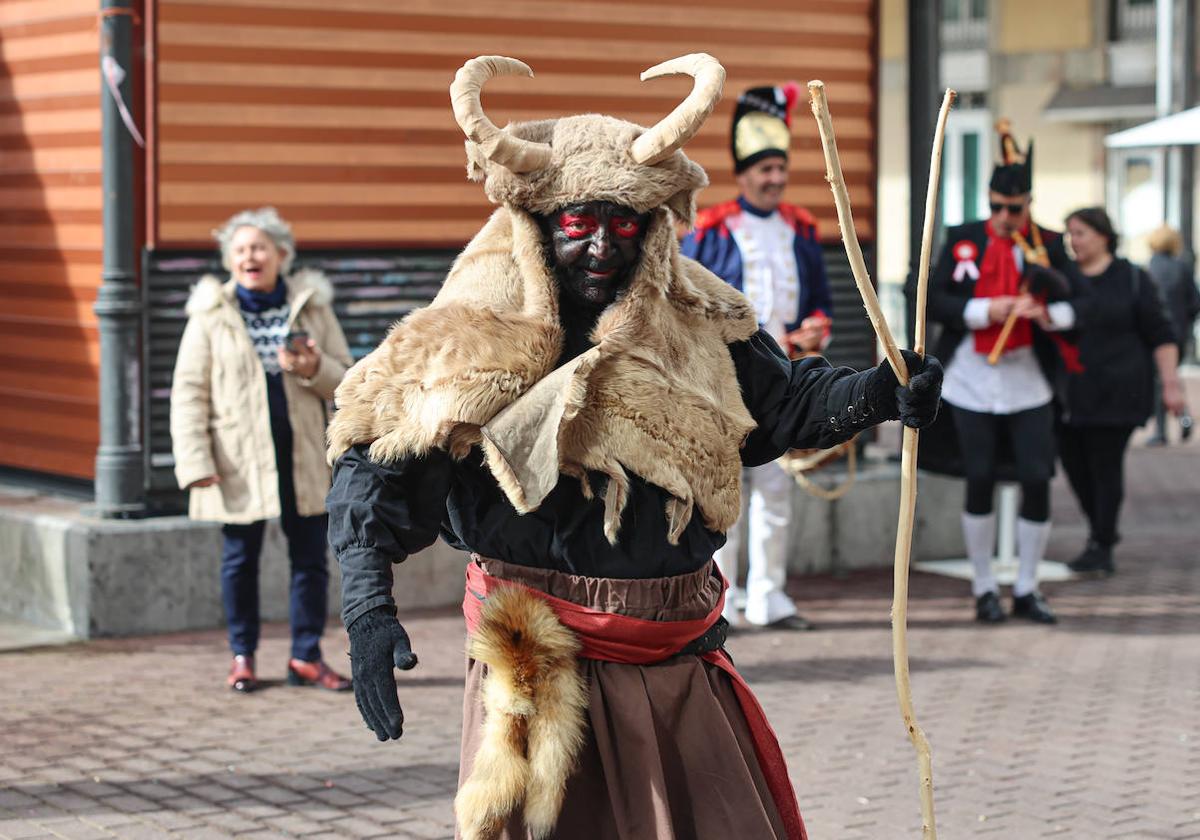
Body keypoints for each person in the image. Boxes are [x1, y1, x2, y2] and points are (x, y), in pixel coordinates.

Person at [326, 54, 942, 840]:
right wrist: (367, 608)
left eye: (625, 227)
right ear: (540, 230)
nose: (603, 250)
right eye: (581, 227)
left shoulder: (691, 318)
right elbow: (371, 464)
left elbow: (783, 401)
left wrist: (879, 392)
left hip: (676, 664)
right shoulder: (467, 334)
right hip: (540, 672)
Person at [170, 206, 354, 693]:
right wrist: (195, 462)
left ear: (281, 255)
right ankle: (242, 656)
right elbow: (189, 392)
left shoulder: (312, 306)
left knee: (311, 559)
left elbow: (348, 378)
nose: (250, 256)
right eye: (240, 249)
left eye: (259, 248)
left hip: (303, 457)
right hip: (238, 459)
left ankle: (306, 656)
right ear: (230, 260)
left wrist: (313, 368)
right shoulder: (210, 315)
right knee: (239, 560)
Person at [680, 83, 833, 631]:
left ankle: (772, 597)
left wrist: (816, 330)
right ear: (743, 174)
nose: (773, 179)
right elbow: (686, 301)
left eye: (779, 169)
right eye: (763, 169)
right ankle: (722, 600)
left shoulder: (803, 229)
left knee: (775, 491)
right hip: (724, 384)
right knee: (725, 496)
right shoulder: (711, 230)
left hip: (783, 380)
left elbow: (819, 299)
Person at [927, 121, 1083, 625]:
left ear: (1028, 206)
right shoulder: (962, 238)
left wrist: (1048, 315)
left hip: (1029, 381)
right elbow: (927, 296)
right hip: (973, 379)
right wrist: (984, 309)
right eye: (995, 206)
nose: (1002, 217)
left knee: (1036, 479)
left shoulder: (1049, 246)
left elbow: (1078, 304)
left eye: (1012, 209)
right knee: (979, 480)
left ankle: (1028, 586)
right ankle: (983, 587)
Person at [1056, 208, 1183, 575]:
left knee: (1104, 464)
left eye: (1079, 233)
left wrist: (1171, 385)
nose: (1073, 241)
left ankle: (1102, 541)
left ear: (1103, 236)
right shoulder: (1063, 278)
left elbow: (1161, 334)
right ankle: (1100, 533)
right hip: (1071, 392)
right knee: (1075, 465)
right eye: (1069, 234)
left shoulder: (1131, 278)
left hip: (1120, 391)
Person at [1144, 224, 1198, 445]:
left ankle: (1161, 431)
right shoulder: (1182, 268)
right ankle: (1183, 417)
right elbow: (1195, 303)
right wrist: (1184, 322)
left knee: (1160, 382)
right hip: (1178, 334)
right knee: (1169, 378)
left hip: (1155, 334)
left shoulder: (1148, 269)